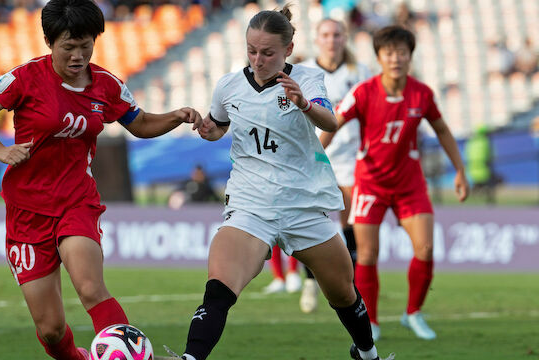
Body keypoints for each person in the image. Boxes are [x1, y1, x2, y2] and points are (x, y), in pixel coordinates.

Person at [0, 1, 202, 359]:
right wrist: (1, 151)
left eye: (85, 45)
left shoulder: (106, 85)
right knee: (51, 330)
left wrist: (176, 116)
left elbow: (140, 123)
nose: (77, 55)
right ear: (49, 42)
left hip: (76, 202)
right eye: (68, 47)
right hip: (26, 211)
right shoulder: (23, 79)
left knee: (91, 288)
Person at [162, 5, 393, 360]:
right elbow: (219, 124)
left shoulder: (307, 79)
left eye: (267, 52)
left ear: (287, 49)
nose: (258, 59)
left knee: (343, 293)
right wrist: (207, 130)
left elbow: (329, 122)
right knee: (219, 289)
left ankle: (368, 353)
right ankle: (191, 358)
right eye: (251, 51)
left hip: (303, 205)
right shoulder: (229, 86)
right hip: (250, 206)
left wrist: (304, 104)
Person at [322, 25, 469, 341]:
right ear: (379, 57)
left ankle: (413, 313)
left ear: (410, 57)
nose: (396, 59)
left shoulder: (421, 93)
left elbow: (442, 130)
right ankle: (371, 323)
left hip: (409, 184)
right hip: (371, 183)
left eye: (402, 52)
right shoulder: (363, 92)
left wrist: (459, 169)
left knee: (426, 248)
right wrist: (316, 156)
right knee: (368, 254)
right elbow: (333, 122)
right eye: (389, 53)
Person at [298, 17, 372, 314]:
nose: (332, 40)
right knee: (310, 220)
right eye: (326, 35)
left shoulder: (360, 72)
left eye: (337, 35)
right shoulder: (305, 73)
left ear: (346, 37)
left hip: (351, 158)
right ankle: (308, 280)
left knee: (351, 224)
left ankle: (349, 286)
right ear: (317, 39)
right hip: (314, 155)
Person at [465, 125, 500, 203]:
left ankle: (474, 195)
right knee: (490, 183)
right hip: (484, 166)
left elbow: (467, 153)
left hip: (473, 167)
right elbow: (490, 154)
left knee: (479, 183)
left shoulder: (471, 141)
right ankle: (490, 199)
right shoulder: (485, 141)